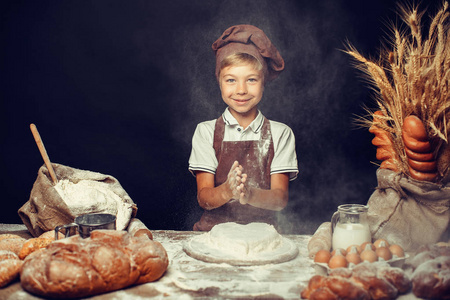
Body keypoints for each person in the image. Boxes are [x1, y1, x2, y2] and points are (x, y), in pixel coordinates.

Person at [188, 24, 298, 231]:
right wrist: (228, 191)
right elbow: (204, 198)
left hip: (266, 235)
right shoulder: (206, 131)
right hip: (212, 234)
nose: (241, 90)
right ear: (219, 82)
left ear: (263, 81)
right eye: (231, 80)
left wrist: (249, 194)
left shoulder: (281, 133)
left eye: (251, 80)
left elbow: (280, 199)